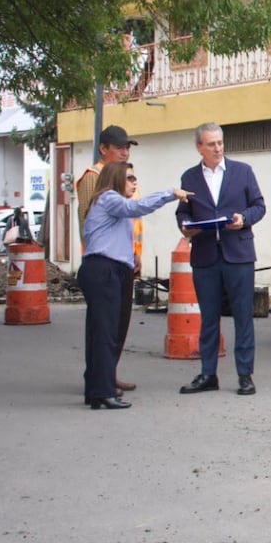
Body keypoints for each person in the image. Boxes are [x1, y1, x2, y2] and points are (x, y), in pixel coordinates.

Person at [79, 162, 191, 409]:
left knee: (108, 333)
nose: (134, 182)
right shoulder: (109, 198)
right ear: (116, 178)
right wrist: (171, 193)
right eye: (129, 178)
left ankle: (97, 390)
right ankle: (103, 392)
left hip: (113, 269)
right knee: (106, 334)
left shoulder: (111, 204)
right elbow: (137, 207)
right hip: (103, 269)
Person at [176, 123, 266, 396]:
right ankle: (208, 373)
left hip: (237, 253)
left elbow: (259, 206)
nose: (217, 148)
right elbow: (183, 213)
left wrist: (244, 219)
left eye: (220, 143)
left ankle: (245, 375)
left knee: (242, 316)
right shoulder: (189, 178)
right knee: (209, 318)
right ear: (199, 147)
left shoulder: (243, 172)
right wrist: (185, 226)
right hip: (205, 254)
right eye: (211, 144)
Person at [75, 125, 142, 395]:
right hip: (104, 261)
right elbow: (88, 220)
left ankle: (108, 373)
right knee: (103, 325)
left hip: (124, 258)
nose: (125, 152)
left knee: (120, 320)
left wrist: (135, 253)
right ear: (104, 149)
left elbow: (130, 220)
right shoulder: (95, 177)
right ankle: (98, 378)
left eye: (127, 147)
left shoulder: (123, 176)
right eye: (119, 147)